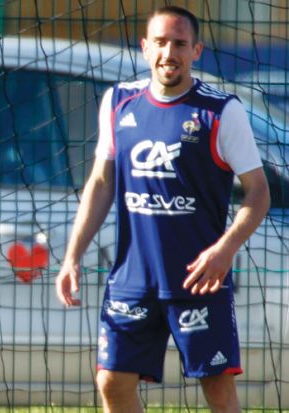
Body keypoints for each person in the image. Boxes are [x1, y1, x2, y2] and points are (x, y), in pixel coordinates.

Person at [55, 6, 270, 413]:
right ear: (144, 47)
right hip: (132, 279)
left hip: (197, 280)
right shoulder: (118, 101)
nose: (168, 52)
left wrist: (224, 251)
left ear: (196, 51)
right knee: (111, 383)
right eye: (160, 42)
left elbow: (259, 194)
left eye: (179, 44)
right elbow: (101, 183)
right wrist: (72, 257)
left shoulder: (221, 111)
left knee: (218, 391)